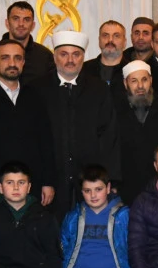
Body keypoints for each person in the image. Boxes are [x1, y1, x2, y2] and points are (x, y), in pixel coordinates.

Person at [36, 30, 121, 217]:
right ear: (55, 57)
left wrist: (109, 179)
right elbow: (34, 138)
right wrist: (43, 179)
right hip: (51, 180)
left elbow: (109, 136)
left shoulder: (98, 89)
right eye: (64, 54)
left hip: (90, 180)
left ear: (83, 57)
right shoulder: (38, 89)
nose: (70, 60)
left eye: (76, 54)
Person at [0, 40, 57, 206]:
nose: (12, 63)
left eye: (17, 58)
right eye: (5, 58)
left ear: (23, 62)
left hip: (31, 188)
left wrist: (48, 181)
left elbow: (46, 141)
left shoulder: (35, 95)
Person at [54, 165, 134, 268]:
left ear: (109, 188)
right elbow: (63, 246)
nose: (93, 195)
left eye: (98, 189)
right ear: (81, 192)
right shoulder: (73, 216)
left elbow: (134, 248)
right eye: (87, 191)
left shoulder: (124, 215)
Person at [114, 59, 158, 205]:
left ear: (151, 81)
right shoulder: (114, 109)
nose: (140, 86)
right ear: (125, 83)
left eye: (144, 80)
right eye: (134, 81)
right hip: (125, 187)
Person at [0, 1, 54, 84]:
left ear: (33, 25)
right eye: (16, 19)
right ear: (7, 23)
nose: (21, 24)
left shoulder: (45, 56)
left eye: (26, 20)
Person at [82, 20, 127, 88]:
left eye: (116, 36)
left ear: (124, 42)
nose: (110, 40)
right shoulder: (83, 69)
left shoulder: (133, 70)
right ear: (99, 40)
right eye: (105, 35)